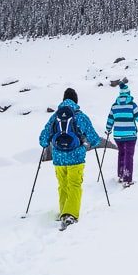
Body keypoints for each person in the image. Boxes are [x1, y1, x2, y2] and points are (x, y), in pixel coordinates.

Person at [39, 88, 101, 230]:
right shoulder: (80, 116)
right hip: (76, 157)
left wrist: (46, 144)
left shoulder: (55, 116)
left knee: (63, 186)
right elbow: (94, 138)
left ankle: (63, 212)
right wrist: (93, 143)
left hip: (59, 159)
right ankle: (70, 215)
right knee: (74, 185)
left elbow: (43, 139)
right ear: (76, 101)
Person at [105, 82, 138, 187]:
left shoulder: (114, 105)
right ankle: (127, 179)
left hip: (118, 135)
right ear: (128, 93)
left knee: (121, 153)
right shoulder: (132, 105)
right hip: (130, 135)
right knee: (129, 156)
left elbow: (110, 119)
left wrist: (108, 129)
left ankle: (120, 175)